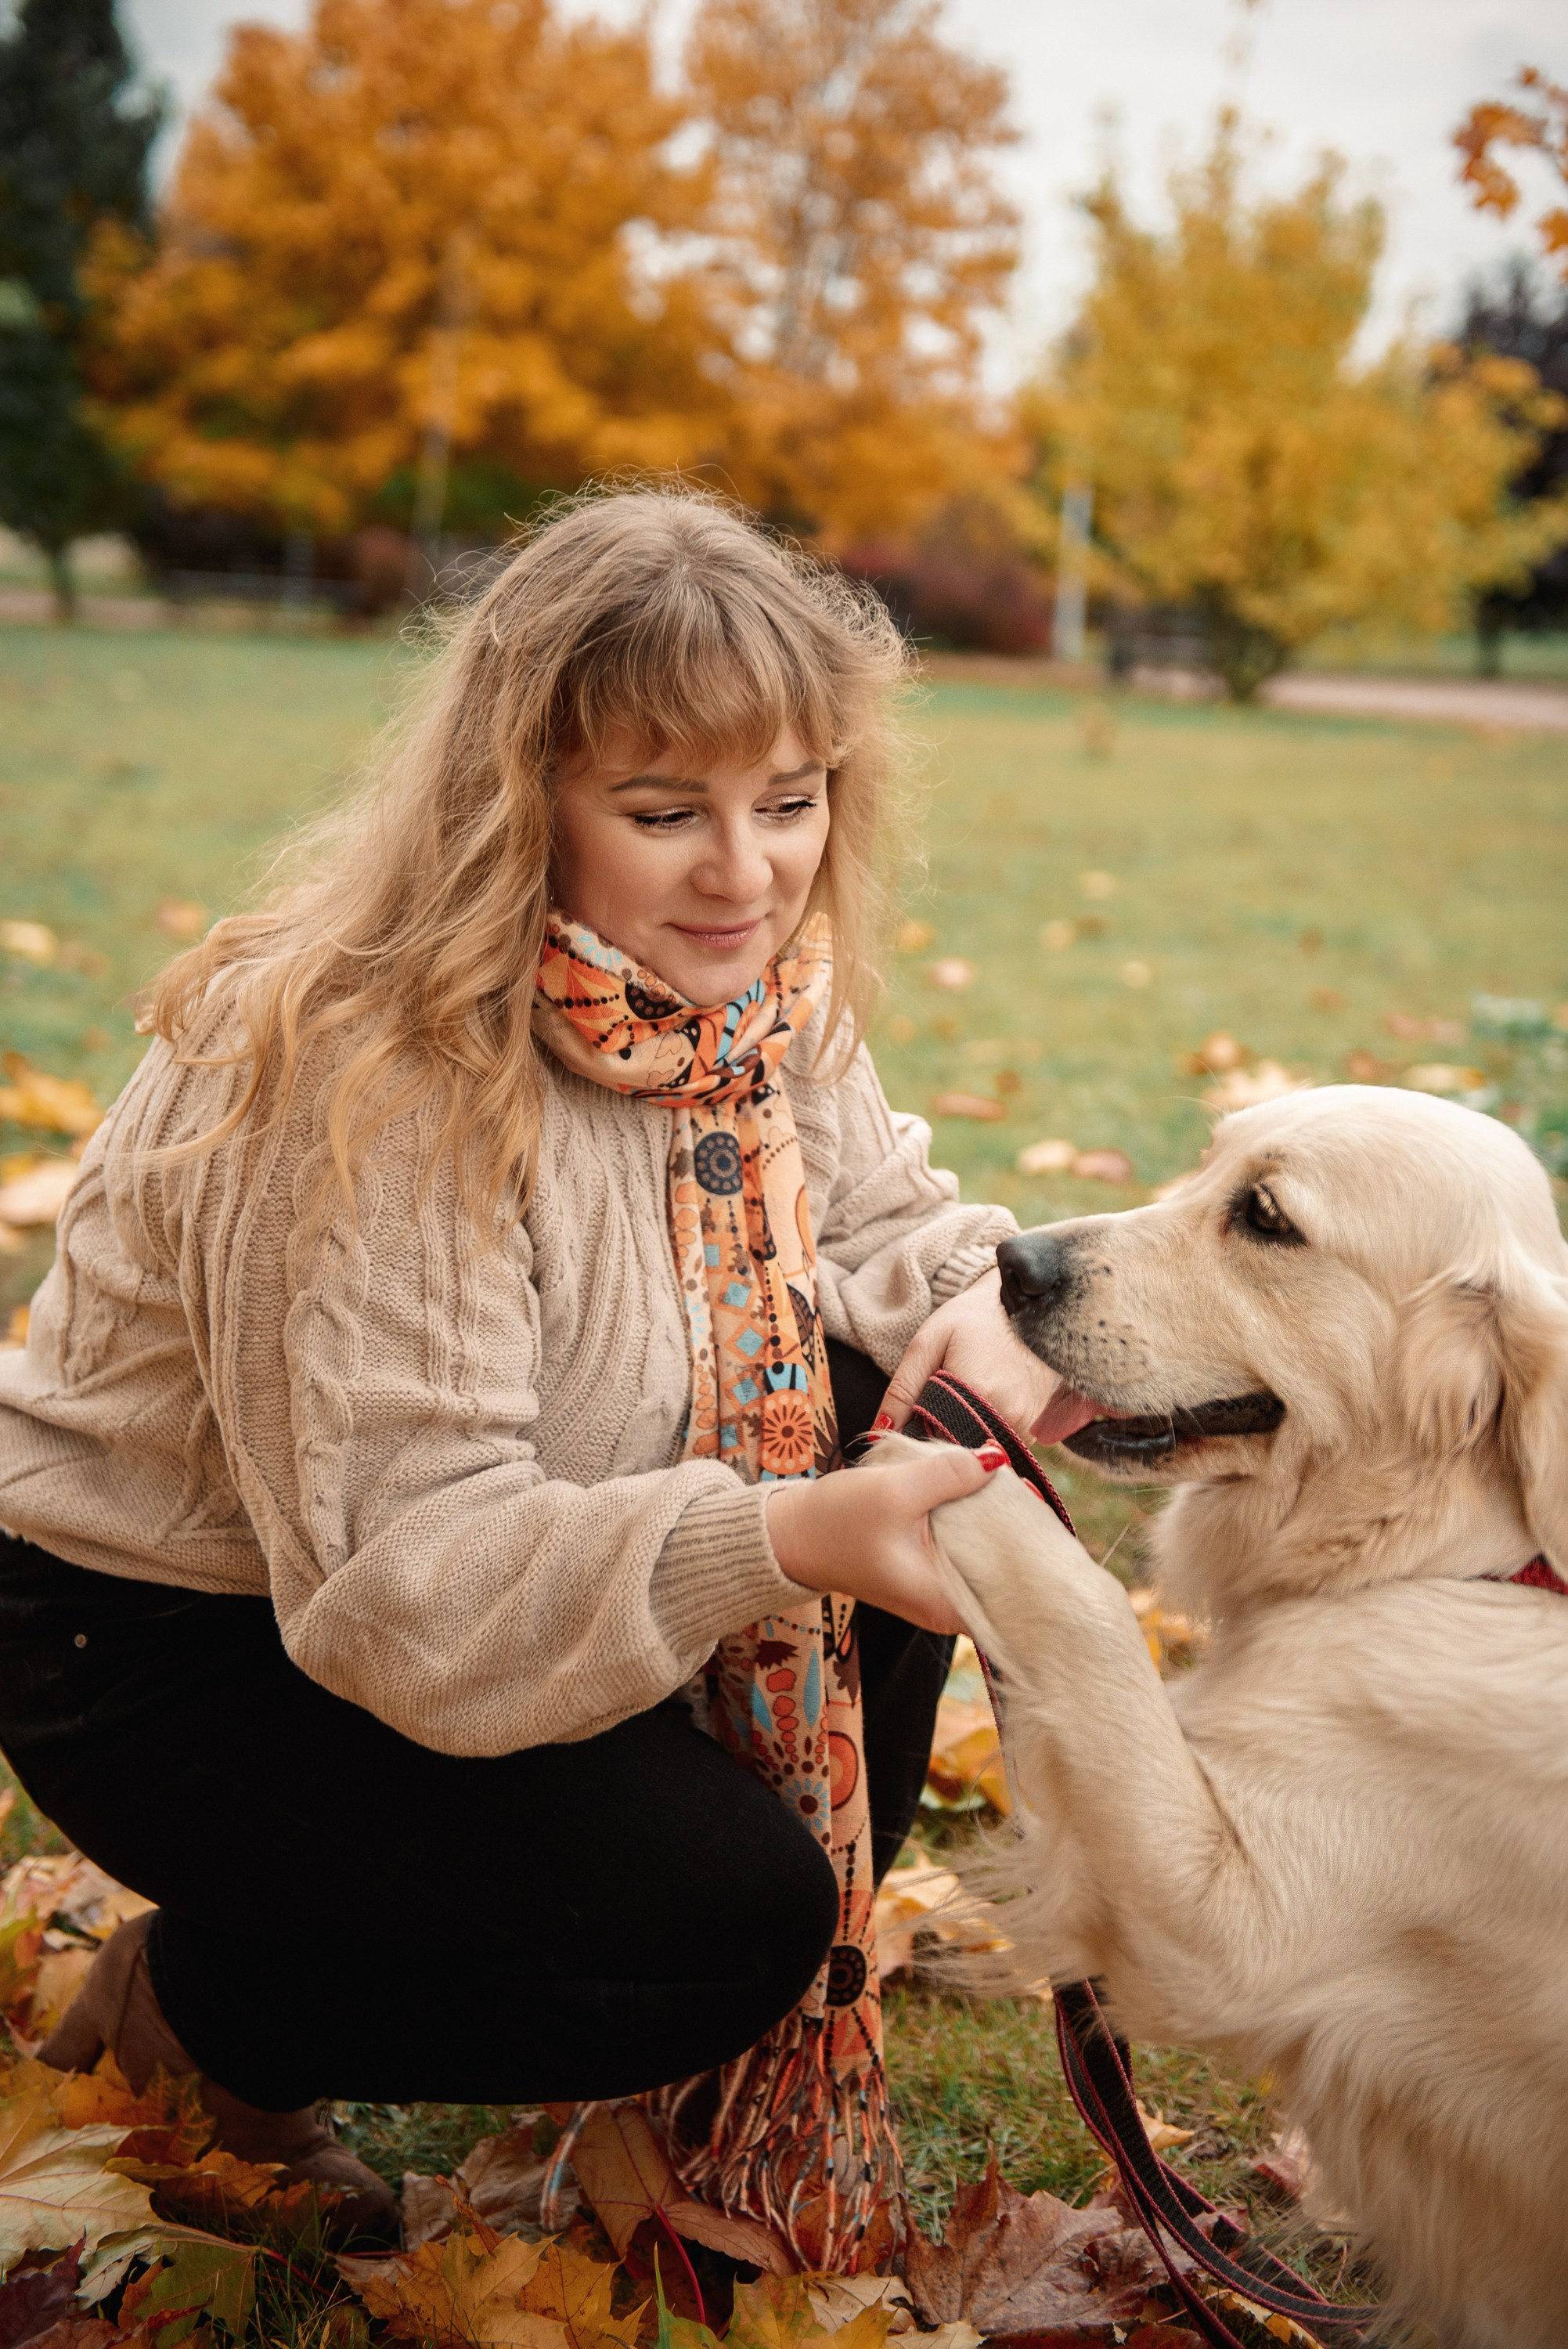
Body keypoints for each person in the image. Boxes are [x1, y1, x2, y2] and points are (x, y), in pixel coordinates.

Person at [0, 490, 1055, 2253]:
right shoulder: (375, 1073)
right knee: (711, 1926)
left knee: (910, 1402)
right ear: (521, 798)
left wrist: (992, 1317)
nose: (747, 872)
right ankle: (211, 2016)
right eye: (666, 814)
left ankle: (723, 2049)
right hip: (176, 1635)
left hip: (467, 1570)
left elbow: (893, 1223)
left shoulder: (742, 992)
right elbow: (399, 1589)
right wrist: (782, 1538)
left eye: (789, 804)